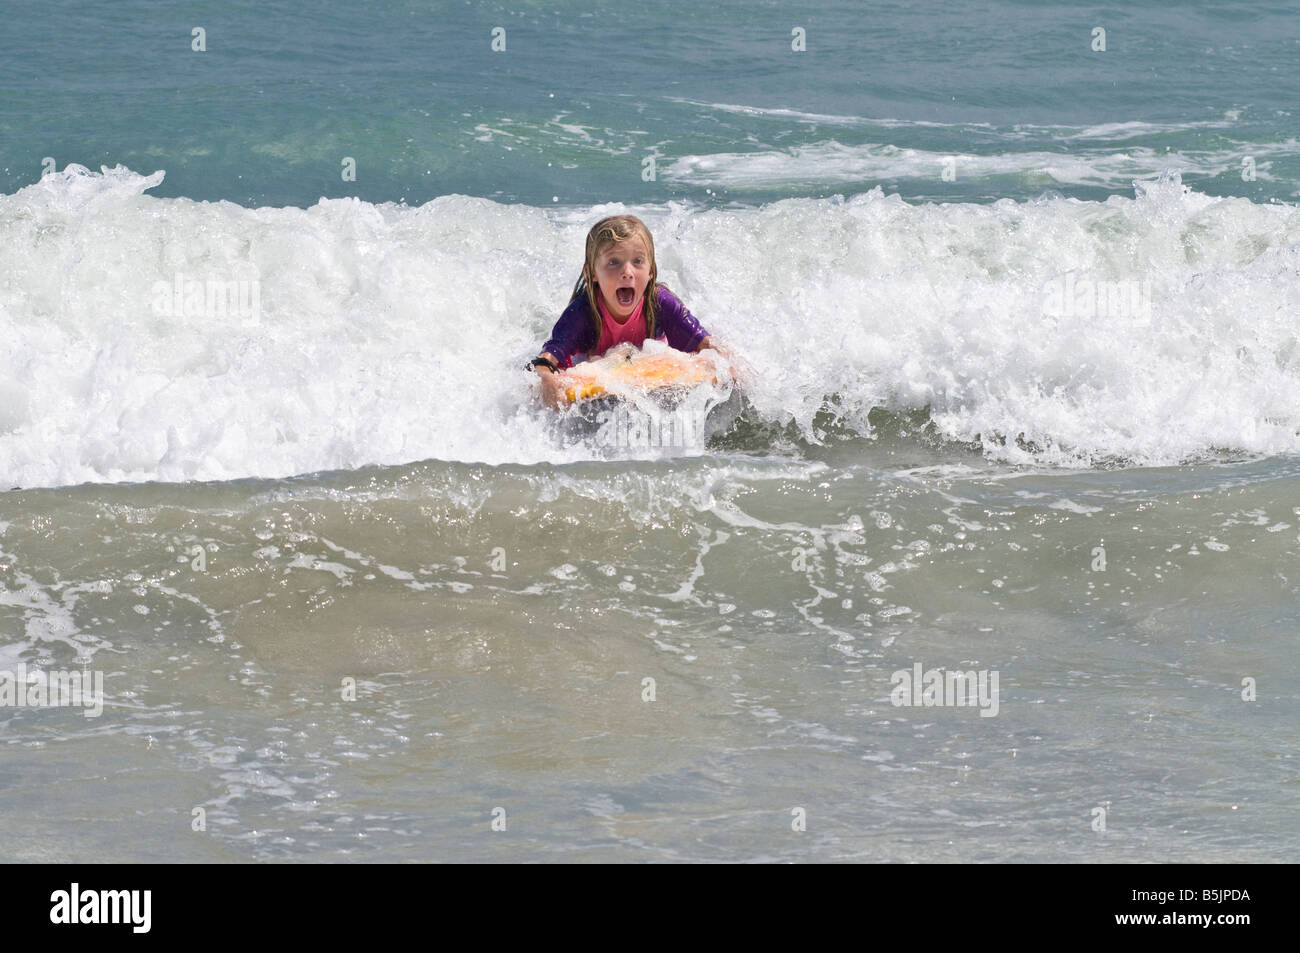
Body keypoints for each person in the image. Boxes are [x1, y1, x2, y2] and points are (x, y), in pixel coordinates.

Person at [529, 215, 722, 408]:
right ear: (592, 273)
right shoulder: (582, 312)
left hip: (645, 370)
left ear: (651, 271)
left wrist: (729, 366)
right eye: (614, 262)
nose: (627, 272)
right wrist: (547, 381)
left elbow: (706, 345)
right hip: (596, 378)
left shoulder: (660, 302)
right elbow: (546, 362)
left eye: (638, 261)